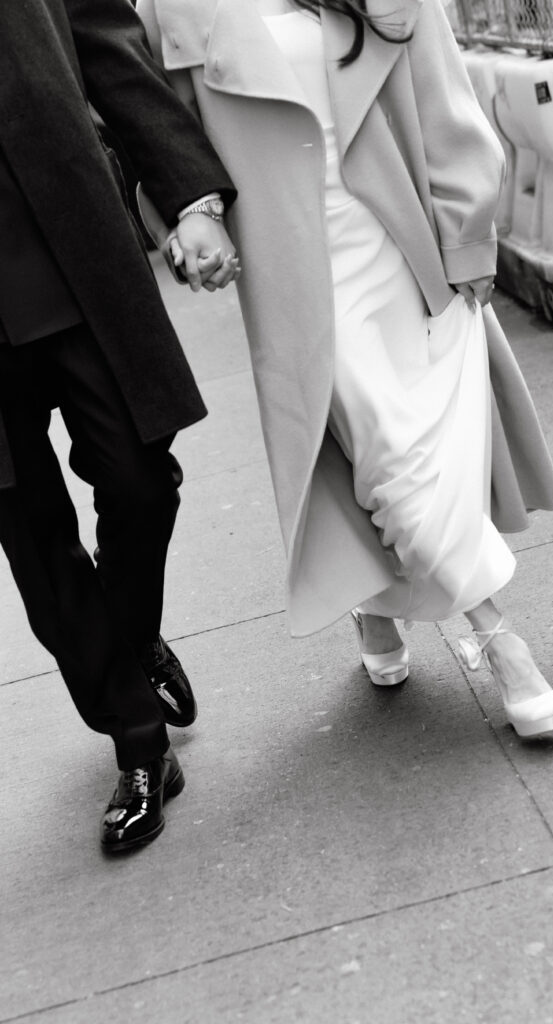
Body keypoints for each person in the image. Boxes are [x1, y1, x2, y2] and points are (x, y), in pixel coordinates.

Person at [139, 0, 553, 738]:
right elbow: (156, 133)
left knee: (391, 452)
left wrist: (467, 236)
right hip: (294, 271)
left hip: (403, 244)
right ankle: (502, 644)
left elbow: (442, 99)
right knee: (392, 453)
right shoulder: (170, 5)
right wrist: (185, 220)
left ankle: (373, 603)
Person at [0, 0, 240, 853]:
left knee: (139, 480)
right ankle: (137, 744)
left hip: (68, 247)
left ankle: (129, 640)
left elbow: (108, 43)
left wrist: (190, 197)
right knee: (32, 534)